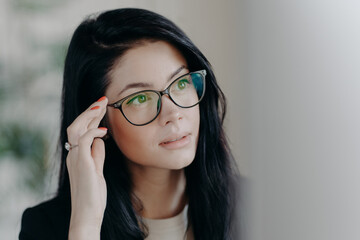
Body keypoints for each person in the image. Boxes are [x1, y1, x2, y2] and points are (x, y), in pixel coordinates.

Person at [19, 8, 240, 240]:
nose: (173, 113)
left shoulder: (257, 206)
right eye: (141, 98)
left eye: (181, 83)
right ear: (98, 121)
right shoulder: (46, 227)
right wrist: (85, 225)